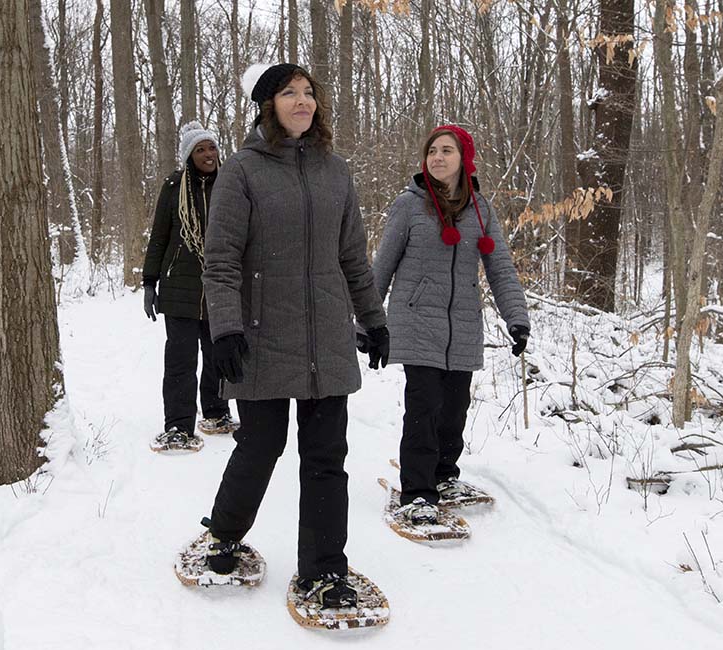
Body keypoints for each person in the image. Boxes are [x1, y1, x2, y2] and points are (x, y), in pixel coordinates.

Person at [199, 63, 389, 608]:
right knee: (261, 445)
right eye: (290, 93)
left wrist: (373, 319)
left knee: (327, 456)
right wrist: (226, 328)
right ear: (269, 105)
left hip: (326, 337)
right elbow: (221, 260)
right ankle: (225, 532)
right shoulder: (242, 170)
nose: (303, 101)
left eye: (309, 92)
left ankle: (325, 569)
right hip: (261, 335)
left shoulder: (336, 171)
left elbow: (353, 256)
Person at [369, 124, 530, 524]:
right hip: (417, 319)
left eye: (446, 151)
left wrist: (516, 318)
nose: (437, 157)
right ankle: (417, 492)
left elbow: (500, 267)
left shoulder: (481, 209)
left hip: (463, 324)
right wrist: (367, 322)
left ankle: (443, 475)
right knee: (423, 406)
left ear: (464, 159)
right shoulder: (409, 206)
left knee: (455, 409)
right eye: (432, 151)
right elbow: (383, 264)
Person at [142, 121, 239, 449]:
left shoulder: (229, 184)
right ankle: (178, 426)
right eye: (200, 149)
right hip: (179, 289)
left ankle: (216, 412)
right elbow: (159, 236)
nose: (209, 154)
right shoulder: (173, 187)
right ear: (189, 156)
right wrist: (149, 283)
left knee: (217, 356)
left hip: (220, 287)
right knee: (180, 362)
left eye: (212, 147)